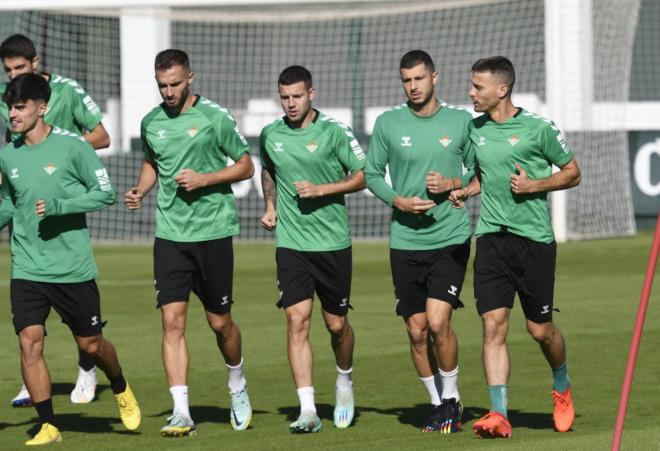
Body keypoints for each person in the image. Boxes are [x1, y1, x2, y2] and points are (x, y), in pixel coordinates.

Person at [0, 73, 140, 446]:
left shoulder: (74, 147)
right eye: (8, 107)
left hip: (71, 267)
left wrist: (62, 206)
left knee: (91, 344)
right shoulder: (7, 152)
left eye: (19, 107)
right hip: (27, 265)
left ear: (42, 108)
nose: (11, 114)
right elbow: (10, 202)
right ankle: (48, 424)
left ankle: (120, 383)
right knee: (29, 341)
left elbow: (105, 193)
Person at [449, 56, 581, 438]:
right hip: (491, 238)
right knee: (493, 325)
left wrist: (533, 186)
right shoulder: (475, 131)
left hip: (534, 241)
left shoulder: (539, 129)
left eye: (478, 87)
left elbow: (573, 173)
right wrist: (464, 191)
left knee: (540, 330)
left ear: (501, 90)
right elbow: (481, 177)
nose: (471, 92)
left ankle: (561, 381)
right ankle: (499, 413)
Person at [124, 49, 254, 436]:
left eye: (175, 84)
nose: (168, 92)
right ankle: (181, 411)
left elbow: (246, 165)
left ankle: (237, 384)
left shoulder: (215, 116)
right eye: (162, 85)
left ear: (190, 78)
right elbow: (152, 161)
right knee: (171, 321)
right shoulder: (152, 121)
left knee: (220, 323)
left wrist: (205, 179)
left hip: (212, 234)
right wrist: (142, 191)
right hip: (170, 237)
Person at [0, 33, 111, 407]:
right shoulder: (9, 100)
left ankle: (87, 366)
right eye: (7, 70)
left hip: (63, 198)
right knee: (29, 321)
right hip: (24, 198)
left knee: (83, 325)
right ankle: (33, 384)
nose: (13, 75)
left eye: (19, 68)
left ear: (36, 61)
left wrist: (60, 150)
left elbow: (101, 135)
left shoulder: (68, 91)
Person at [365, 50, 472, 433]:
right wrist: (397, 199)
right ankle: (436, 403)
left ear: (435, 78)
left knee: (439, 321)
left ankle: (453, 398)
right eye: (406, 80)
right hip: (405, 240)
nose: (412, 86)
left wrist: (453, 184)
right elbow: (372, 173)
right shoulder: (388, 123)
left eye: (419, 79)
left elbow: (479, 172)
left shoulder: (461, 122)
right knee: (416, 330)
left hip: (450, 236)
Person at [259, 65, 365, 433]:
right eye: (285, 97)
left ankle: (344, 380)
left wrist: (322, 190)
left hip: (333, 244)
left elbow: (362, 175)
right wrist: (271, 206)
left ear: (312, 94)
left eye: (297, 96)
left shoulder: (334, 132)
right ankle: (307, 409)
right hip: (292, 244)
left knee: (336, 325)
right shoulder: (271, 134)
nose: (290, 104)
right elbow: (268, 170)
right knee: (296, 320)